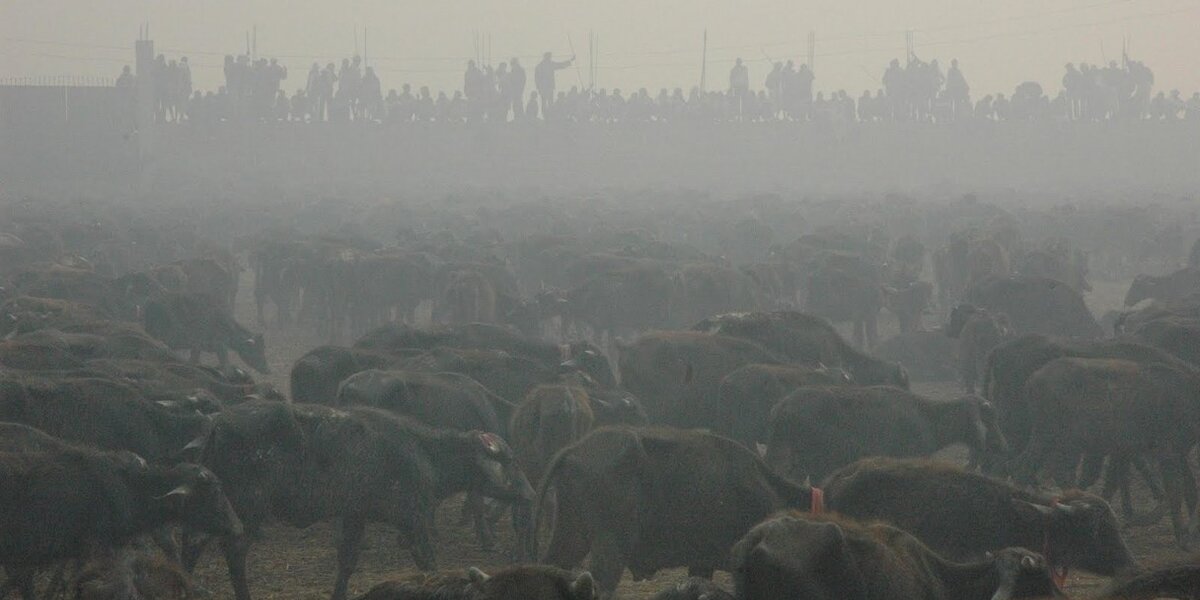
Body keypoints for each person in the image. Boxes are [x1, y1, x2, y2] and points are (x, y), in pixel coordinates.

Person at [534, 51, 574, 116]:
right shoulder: (549, 64)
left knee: (544, 103)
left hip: (543, 88)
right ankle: (550, 116)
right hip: (549, 87)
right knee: (549, 103)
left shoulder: (539, 66)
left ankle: (545, 116)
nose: (550, 58)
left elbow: (536, 79)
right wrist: (570, 61)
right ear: (548, 57)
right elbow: (560, 65)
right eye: (550, 57)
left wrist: (538, 87)